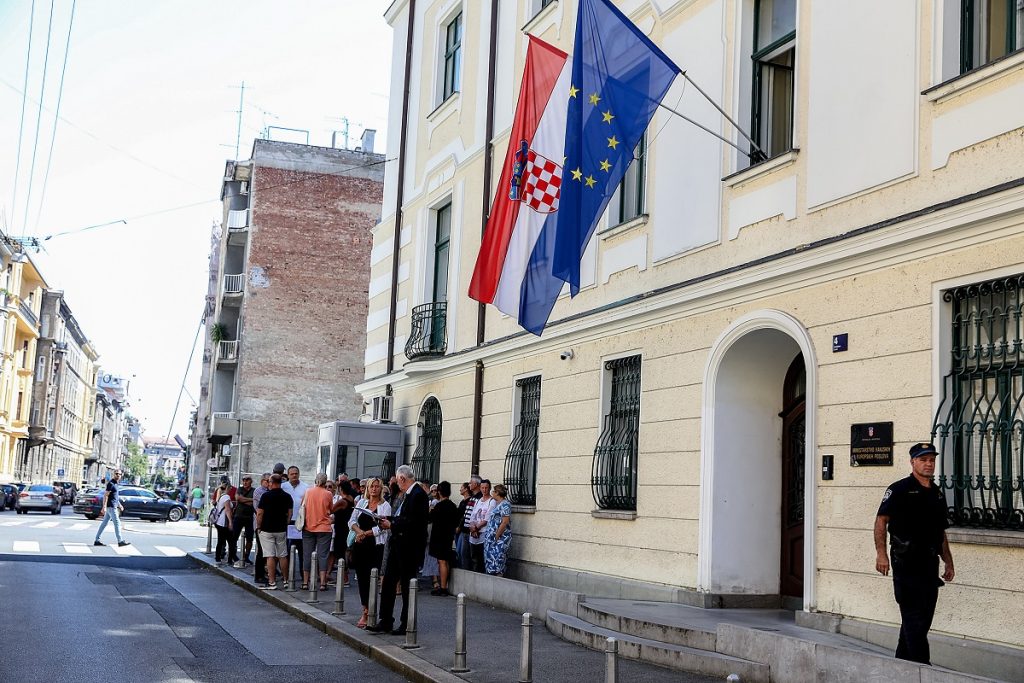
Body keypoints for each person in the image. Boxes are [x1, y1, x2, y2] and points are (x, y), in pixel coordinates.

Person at [874, 442, 955, 665]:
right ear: (913, 462)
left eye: (931, 460)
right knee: (912, 617)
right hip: (906, 564)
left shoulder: (937, 493)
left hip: (929, 565)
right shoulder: (899, 489)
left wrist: (948, 562)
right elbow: (881, 522)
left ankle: (902, 665)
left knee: (923, 618)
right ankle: (922, 667)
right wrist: (882, 555)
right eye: (923, 459)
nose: (928, 464)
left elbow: (941, 532)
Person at [367, 465, 429, 635]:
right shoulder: (409, 495)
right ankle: (386, 620)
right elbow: (404, 517)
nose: (397, 484)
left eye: (397, 480)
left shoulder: (418, 495)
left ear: (402, 479)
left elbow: (415, 522)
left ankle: (405, 622)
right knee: (388, 582)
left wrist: (392, 524)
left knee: (408, 585)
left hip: (409, 547)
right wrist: (388, 519)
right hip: (398, 544)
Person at [350, 477, 391, 628]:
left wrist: (366, 533)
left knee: (373, 578)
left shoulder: (384, 506)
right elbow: (352, 521)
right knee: (361, 579)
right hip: (360, 545)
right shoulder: (361, 503)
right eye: (371, 486)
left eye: (377, 486)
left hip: (375, 546)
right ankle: (365, 610)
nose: (374, 489)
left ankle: (372, 610)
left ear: (381, 489)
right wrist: (359, 531)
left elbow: (383, 528)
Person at [257, 473, 292, 590]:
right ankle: (286, 580)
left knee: (270, 556)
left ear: (271, 483)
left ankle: (272, 582)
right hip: (281, 529)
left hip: (267, 529)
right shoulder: (287, 496)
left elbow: (260, 513)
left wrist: (258, 526)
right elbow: (290, 513)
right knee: (282, 555)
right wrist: (286, 523)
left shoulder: (265, 496)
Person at [300, 473, 335, 592]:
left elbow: (302, 506)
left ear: (315, 480)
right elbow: (331, 509)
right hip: (324, 528)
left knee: (307, 554)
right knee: (323, 555)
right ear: (325, 482)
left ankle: (305, 582)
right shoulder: (328, 494)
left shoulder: (308, 492)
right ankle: (323, 583)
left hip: (308, 526)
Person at [429, 481, 460, 595]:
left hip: (439, 537)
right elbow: (456, 521)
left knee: (442, 561)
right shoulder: (452, 506)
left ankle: (443, 587)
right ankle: (443, 585)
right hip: (448, 536)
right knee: (445, 561)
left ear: (440, 492)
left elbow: (430, 518)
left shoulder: (439, 506)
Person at [282, 465, 309, 575]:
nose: (294, 475)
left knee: (302, 550)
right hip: (287, 522)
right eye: (292, 474)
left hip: (300, 522)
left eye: (296, 473)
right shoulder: (283, 486)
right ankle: (286, 575)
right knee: (286, 550)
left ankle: (304, 575)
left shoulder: (306, 487)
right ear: (288, 475)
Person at [93, 469, 130, 547]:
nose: (118, 475)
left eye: (119, 474)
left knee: (104, 524)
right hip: (111, 507)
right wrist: (104, 507)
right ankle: (120, 541)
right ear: (114, 474)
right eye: (116, 474)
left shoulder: (116, 484)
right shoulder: (111, 483)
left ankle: (97, 540)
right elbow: (106, 495)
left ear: (121, 475)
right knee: (117, 523)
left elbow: (115, 497)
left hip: (113, 506)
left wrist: (120, 505)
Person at [484, 483, 513, 576]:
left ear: (497, 493)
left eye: (493, 491)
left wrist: (497, 535)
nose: (492, 492)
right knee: (491, 560)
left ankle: (498, 578)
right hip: (492, 538)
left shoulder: (505, 505)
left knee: (498, 559)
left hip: (500, 539)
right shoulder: (497, 504)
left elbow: (505, 522)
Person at [467, 479, 495, 573]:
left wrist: (476, 528)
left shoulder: (492, 501)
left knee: (482, 558)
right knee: (474, 557)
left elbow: (487, 518)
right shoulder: (478, 501)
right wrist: (472, 528)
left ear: (489, 488)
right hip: (474, 533)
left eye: (486, 488)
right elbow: (473, 515)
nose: (484, 490)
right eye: (482, 487)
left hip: (483, 533)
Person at [457, 477, 481, 569]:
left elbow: (477, 515)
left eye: (471, 483)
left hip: (471, 530)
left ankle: (469, 575)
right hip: (465, 529)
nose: (469, 484)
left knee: (469, 555)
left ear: (476, 484)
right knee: (462, 553)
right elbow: (466, 514)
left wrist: (474, 527)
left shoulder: (479, 498)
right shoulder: (473, 498)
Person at [232, 475, 256, 567]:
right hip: (238, 516)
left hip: (249, 517)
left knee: (249, 538)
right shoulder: (240, 489)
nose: (245, 482)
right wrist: (250, 500)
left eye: (247, 480)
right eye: (244, 480)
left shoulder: (254, 491)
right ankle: (233, 555)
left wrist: (244, 500)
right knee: (234, 536)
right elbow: (238, 498)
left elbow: (255, 502)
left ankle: (246, 556)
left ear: (251, 481)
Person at [252, 473, 271, 586]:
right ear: (262, 481)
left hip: (267, 525)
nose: (269, 483)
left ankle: (263, 573)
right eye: (267, 481)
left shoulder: (268, 492)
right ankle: (258, 575)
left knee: (265, 551)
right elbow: (261, 509)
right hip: (260, 525)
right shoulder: (260, 491)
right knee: (261, 551)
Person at [213, 482, 237, 565]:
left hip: (219, 521)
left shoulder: (221, 496)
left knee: (221, 540)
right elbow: (227, 510)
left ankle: (217, 557)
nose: (231, 489)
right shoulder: (226, 497)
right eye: (230, 488)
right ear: (227, 488)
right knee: (231, 542)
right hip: (224, 522)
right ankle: (230, 559)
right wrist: (230, 522)